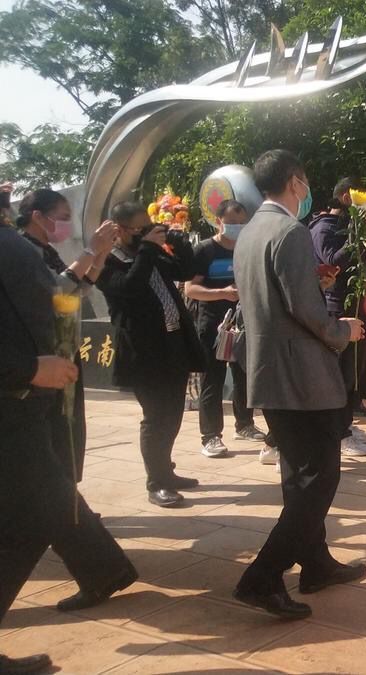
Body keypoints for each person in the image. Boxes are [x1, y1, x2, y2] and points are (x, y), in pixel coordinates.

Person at [232, 149, 366, 620]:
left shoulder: (251, 231)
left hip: (270, 371)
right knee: (319, 479)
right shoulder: (290, 231)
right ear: (295, 181)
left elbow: (276, 297)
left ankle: (316, 563)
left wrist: (314, 283)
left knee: (297, 476)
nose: (307, 191)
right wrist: (342, 330)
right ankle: (263, 577)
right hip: (302, 376)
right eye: (305, 182)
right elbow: (306, 312)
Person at [13, 190, 139, 611]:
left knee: (43, 482)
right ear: (37, 216)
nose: (64, 223)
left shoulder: (35, 251)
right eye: (61, 216)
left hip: (43, 370)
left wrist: (97, 254)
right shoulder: (22, 250)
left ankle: (104, 568)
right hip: (36, 369)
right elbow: (56, 295)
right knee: (44, 483)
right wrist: (90, 252)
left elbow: (67, 296)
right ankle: (104, 568)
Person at [0, 223, 91, 675]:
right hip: (12, 402)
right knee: (39, 512)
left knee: (41, 511)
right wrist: (27, 368)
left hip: (20, 406)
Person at [97, 201, 207, 508]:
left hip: (174, 344)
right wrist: (147, 247)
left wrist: (178, 243)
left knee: (172, 414)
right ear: (120, 230)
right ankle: (156, 483)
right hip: (143, 352)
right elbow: (130, 287)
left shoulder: (149, 253)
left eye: (148, 227)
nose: (146, 233)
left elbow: (184, 271)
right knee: (156, 417)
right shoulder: (107, 261)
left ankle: (165, 471)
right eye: (140, 229)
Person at [184, 199, 268, 459]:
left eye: (241, 223)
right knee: (213, 379)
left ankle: (244, 424)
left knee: (244, 376)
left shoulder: (247, 247)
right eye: (231, 223)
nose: (237, 227)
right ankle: (210, 436)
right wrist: (222, 293)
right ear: (218, 221)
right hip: (213, 324)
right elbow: (190, 289)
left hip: (244, 323)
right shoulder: (204, 250)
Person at [310, 178, 366, 458]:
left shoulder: (350, 226)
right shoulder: (324, 227)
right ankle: (339, 434)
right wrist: (354, 237)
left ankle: (347, 425)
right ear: (345, 197)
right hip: (337, 308)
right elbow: (331, 261)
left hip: (358, 305)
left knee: (355, 371)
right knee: (341, 374)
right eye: (358, 197)